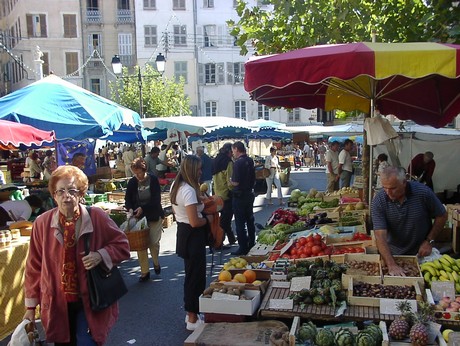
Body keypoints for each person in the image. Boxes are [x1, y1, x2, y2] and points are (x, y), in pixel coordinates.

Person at [23, 165, 130, 345]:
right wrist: (30, 307)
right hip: (56, 302)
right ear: (54, 195)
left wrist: (100, 255)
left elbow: (122, 246)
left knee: (86, 341)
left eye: (72, 190)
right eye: (61, 191)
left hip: (90, 299)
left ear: (81, 194)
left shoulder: (96, 217)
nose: (67, 196)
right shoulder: (42, 223)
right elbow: (34, 266)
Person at [371, 166, 447, 276]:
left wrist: (429, 241)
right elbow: (380, 235)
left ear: (404, 182)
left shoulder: (423, 193)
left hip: (421, 252)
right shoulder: (379, 200)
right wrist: (391, 264)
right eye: (384, 188)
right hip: (393, 255)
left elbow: (442, 215)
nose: (388, 192)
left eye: (393, 188)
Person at [170, 155, 210, 331]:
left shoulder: (177, 186)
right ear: (193, 170)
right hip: (193, 235)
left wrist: (201, 201)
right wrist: (207, 220)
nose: (201, 172)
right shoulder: (187, 190)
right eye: (199, 169)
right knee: (196, 277)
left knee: (191, 275)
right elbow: (194, 221)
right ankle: (193, 317)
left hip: (183, 233)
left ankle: (191, 315)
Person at [125, 158, 164, 282]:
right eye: (135, 173)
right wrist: (130, 209)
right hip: (139, 217)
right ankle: (144, 271)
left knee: (153, 242)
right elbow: (128, 199)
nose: (137, 176)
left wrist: (143, 208)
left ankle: (156, 262)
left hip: (154, 214)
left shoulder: (153, 180)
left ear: (144, 169)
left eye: (139, 173)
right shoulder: (132, 182)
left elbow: (156, 199)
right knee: (141, 244)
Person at [230, 141, 256, 256]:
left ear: (236, 149)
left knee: (240, 222)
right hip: (249, 194)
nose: (232, 153)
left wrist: (230, 181)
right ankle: (252, 242)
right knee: (250, 219)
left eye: (233, 150)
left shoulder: (237, 163)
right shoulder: (250, 160)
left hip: (240, 195)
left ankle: (243, 246)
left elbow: (236, 182)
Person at [212, 143, 236, 246]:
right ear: (229, 152)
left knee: (224, 218)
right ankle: (219, 241)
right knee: (225, 220)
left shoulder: (216, 160)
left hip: (217, 194)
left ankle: (231, 238)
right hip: (226, 195)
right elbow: (229, 181)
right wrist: (234, 189)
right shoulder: (228, 162)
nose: (232, 154)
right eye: (232, 152)